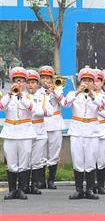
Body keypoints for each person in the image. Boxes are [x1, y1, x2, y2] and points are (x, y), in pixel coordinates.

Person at [61, 68, 105, 200]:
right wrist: (77, 91)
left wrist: (92, 95)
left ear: (94, 82)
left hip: (92, 131)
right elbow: (65, 104)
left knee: (91, 160)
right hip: (77, 131)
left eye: (89, 80)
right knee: (78, 160)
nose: (87, 83)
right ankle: (79, 190)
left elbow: (103, 107)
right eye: (84, 80)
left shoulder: (99, 96)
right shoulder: (73, 94)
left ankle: (90, 190)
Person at [2, 67, 34, 200]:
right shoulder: (7, 97)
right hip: (10, 133)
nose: (18, 83)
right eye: (16, 81)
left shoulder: (29, 97)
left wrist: (21, 97)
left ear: (26, 83)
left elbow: (34, 109)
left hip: (25, 133)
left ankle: (21, 189)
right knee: (11, 162)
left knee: (24, 162)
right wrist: (10, 95)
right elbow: (1, 107)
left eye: (21, 81)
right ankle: (12, 190)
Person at [38, 66, 64, 189]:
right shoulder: (37, 92)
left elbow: (64, 103)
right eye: (43, 77)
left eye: (48, 77)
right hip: (41, 124)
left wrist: (54, 91)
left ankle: (51, 180)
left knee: (54, 152)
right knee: (41, 153)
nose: (45, 80)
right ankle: (41, 180)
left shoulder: (58, 90)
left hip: (55, 123)